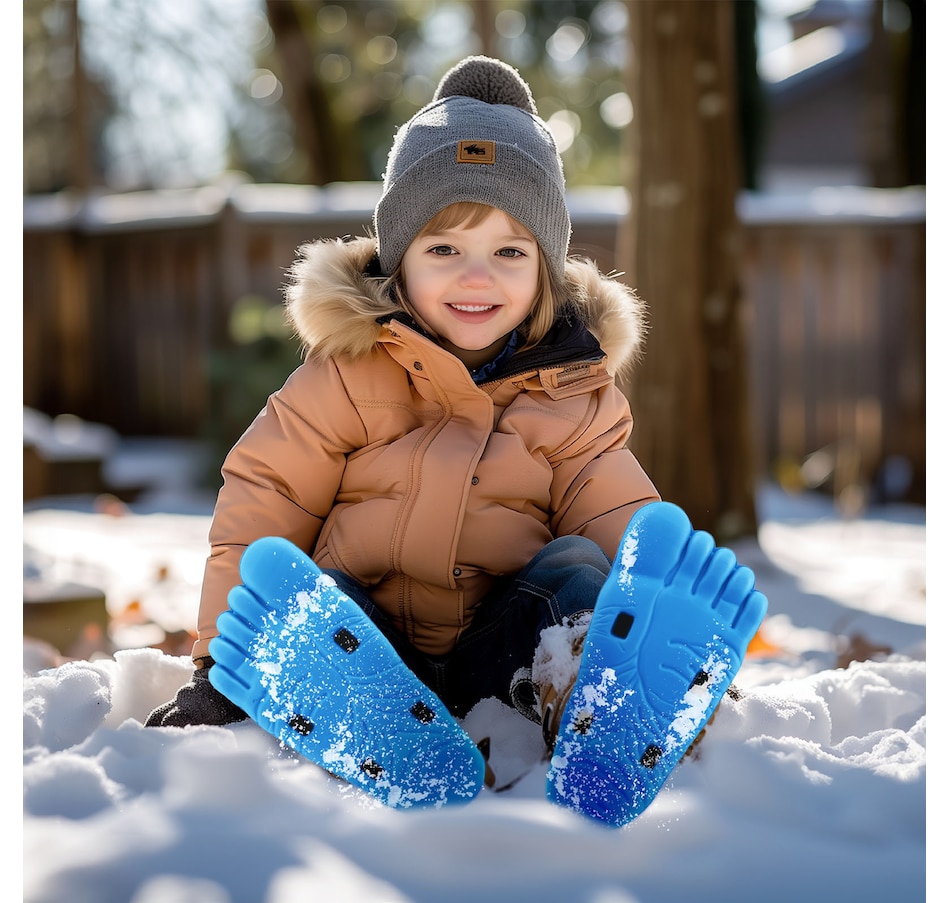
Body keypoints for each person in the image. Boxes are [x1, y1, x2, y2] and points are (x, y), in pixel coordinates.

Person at [146, 55, 767, 827]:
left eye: (510, 252)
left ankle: (601, 701)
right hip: (368, 650)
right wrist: (219, 660)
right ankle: (316, 694)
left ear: (545, 270)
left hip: (503, 657)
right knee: (306, 593)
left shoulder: (573, 392)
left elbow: (619, 519)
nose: (478, 277)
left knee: (579, 570)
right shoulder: (345, 371)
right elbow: (264, 496)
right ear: (398, 259)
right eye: (444, 249)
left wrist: (646, 617)